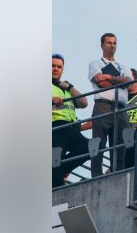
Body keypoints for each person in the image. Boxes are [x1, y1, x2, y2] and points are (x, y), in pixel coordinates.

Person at [87, 33, 132, 176]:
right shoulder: (95, 63)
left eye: (114, 43)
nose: (112, 46)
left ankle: (117, 173)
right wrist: (119, 81)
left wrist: (109, 77)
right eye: (109, 43)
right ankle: (96, 175)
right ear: (102, 45)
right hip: (103, 106)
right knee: (98, 143)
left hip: (121, 107)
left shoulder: (123, 65)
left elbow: (130, 84)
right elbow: (100, 82)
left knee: (120, 143)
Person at [52, 53, 89, 187]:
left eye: (59, 67)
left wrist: (70, 87)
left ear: (62, 69)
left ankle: (61, 170)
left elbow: (84, 103)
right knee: (55, 160)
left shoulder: (66, 88)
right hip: (55, 128)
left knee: (91, 147)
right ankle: (56, 186)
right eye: (52, 66)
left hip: (71, 128)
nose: (55, 69)